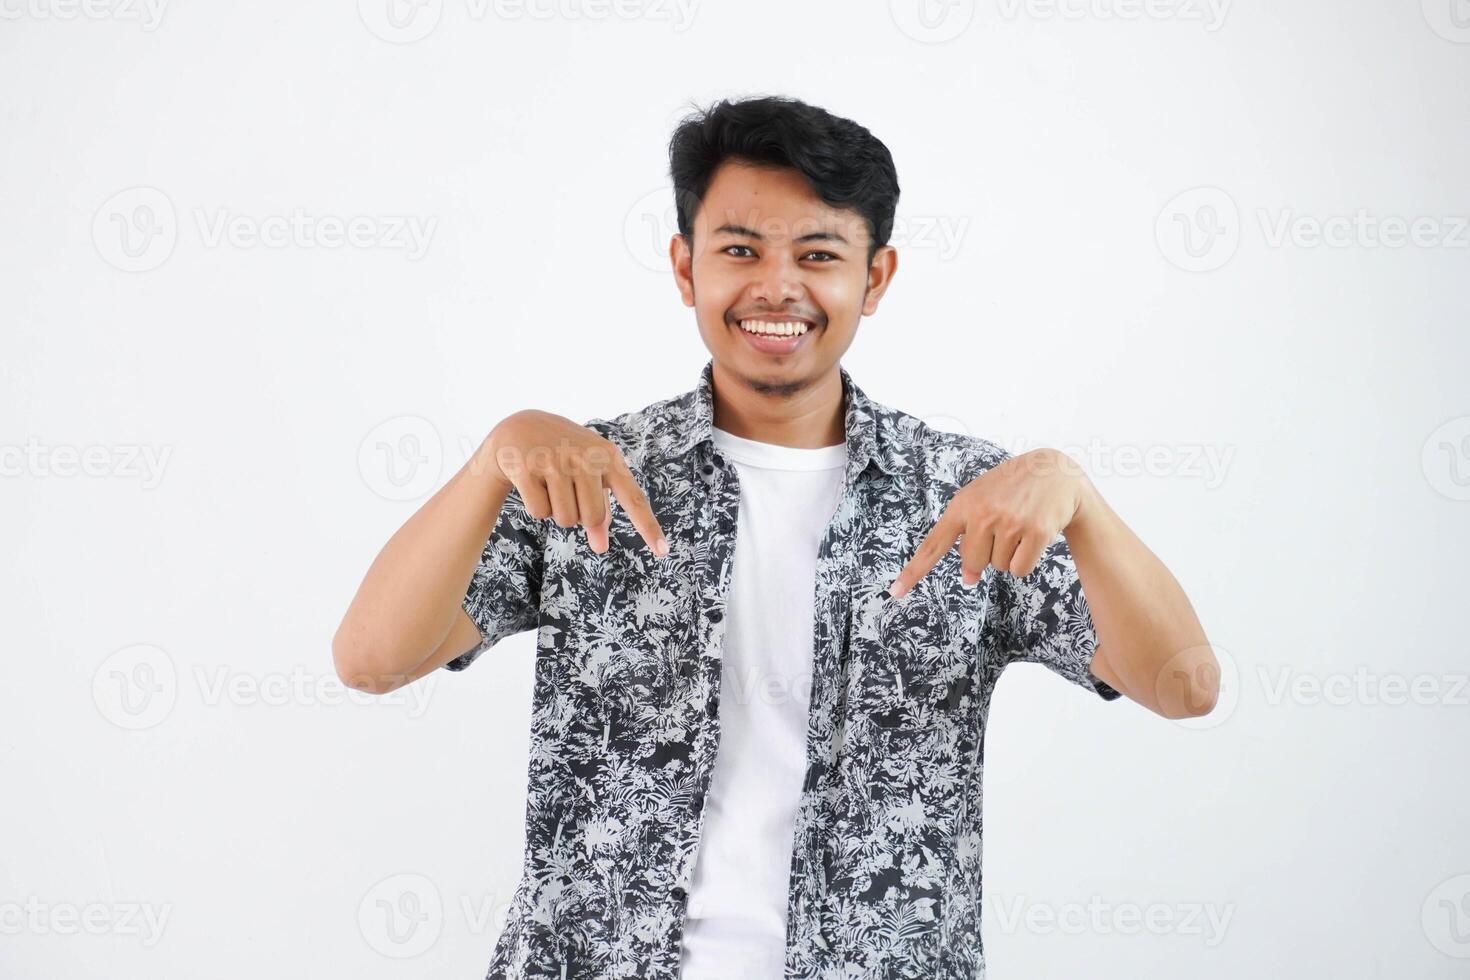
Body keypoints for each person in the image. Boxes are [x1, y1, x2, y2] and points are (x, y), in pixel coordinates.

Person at [333, 94, 1217, 980]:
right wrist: (492, 456)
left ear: (875, 278)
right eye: (740, 251)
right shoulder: (583, 479)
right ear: (686, 268)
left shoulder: (969, 501)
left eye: (819, 254)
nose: (777, 288)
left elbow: (1183, 686)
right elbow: (372, 660)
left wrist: (1083, 500)